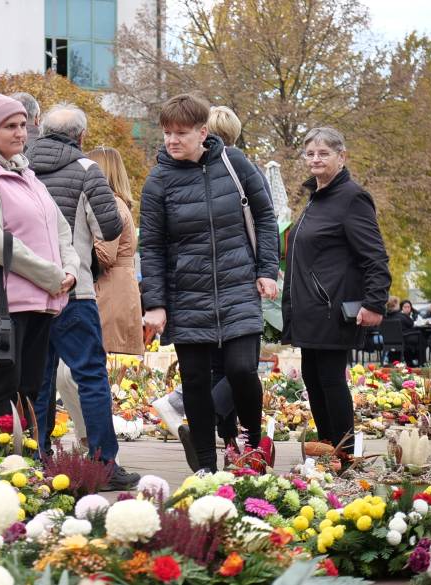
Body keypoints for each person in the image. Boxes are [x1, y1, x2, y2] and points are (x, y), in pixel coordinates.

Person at [140, 93, 280, 474]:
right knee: (197, 380)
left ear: (203, 132)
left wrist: (267, 269)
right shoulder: (159, 181)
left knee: (241, 370)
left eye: (181, 133)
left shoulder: (235, 164)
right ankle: (204, 465)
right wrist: (155, 303)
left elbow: (266, 216)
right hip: (187, 295)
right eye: (167, 132)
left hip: (239, 287)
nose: (172, 140)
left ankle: (251, 440)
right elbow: (150, 245)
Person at [0, 94, 79, 455]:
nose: (21, 132)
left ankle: (22, 463)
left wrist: (69, 268)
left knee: (29, 387)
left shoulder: (26, 173)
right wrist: (51, 275)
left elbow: (60, 230)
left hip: (39, 301)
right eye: (10, 126)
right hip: (1, 304)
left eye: (24, 124)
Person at [28, 103, 138, 489]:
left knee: (38, 380)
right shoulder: (87, 170)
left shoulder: (20, 168)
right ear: (80, 137)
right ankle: (104, 464)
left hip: (30, 294)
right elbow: (109, 226)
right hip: (76, 291)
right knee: (90, 376)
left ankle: (37, 458)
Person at [282, 127, 390, 454]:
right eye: (311, 153)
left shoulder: (351, 198)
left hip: (332, 308)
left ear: (341, 157)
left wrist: (375, 302)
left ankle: (344, 453)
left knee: (330, 379)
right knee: (313, 380)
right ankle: (328, 447)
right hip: (308, 309)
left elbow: (374, 255)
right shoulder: (316, 197)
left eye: (324, 153)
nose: (316, 159)